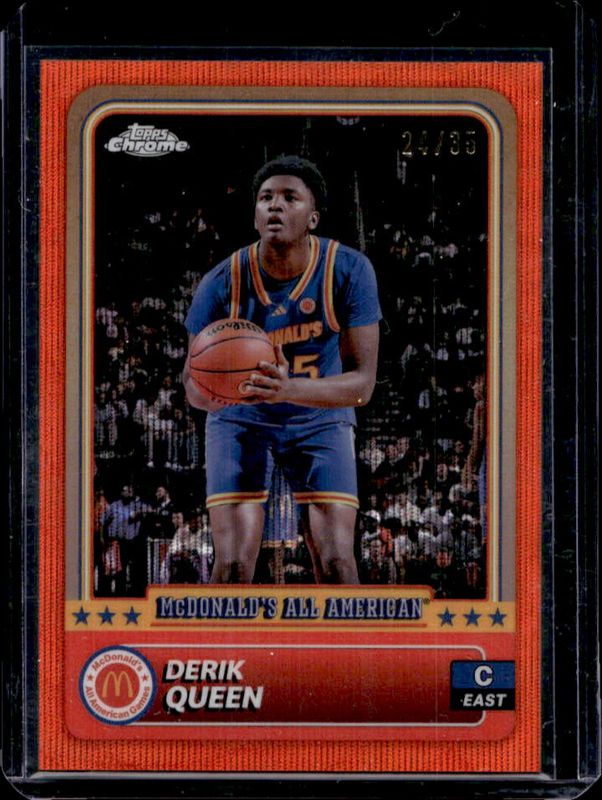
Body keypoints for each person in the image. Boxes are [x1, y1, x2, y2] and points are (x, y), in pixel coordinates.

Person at [183, 155, 381, 583]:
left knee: (338, 561)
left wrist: (286, 389)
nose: (275, 205)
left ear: (313, 217)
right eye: (265, 198)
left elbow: (362, 385)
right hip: (241, 418)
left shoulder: (348, 270)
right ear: (255, 216)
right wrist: (219, 389)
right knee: (233, 564)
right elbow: (191, 386)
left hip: (319, 416)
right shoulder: (221, 281)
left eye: (290, 197)